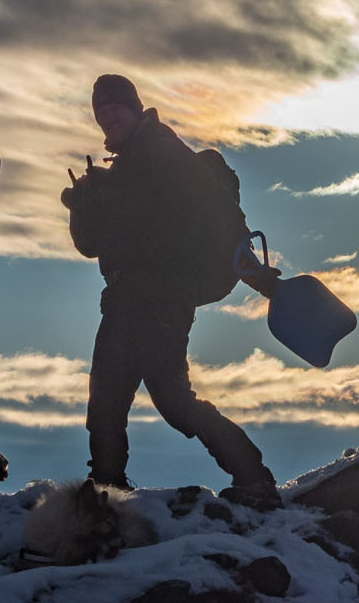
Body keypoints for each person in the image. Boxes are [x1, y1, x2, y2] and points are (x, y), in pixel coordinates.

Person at [60, 74, 278, 505]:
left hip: (162, 296)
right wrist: (84, 207)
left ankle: (253, 475)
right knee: (105, 401)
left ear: (136, 109)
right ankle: (107, 490)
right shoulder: (120, 171)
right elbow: (90, 247)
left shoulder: (161, 148)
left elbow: (214, 207)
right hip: (123, 297)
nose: (109, 118)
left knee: (173, 400)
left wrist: (248, 267)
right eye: (102, 113)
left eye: (117, 108)